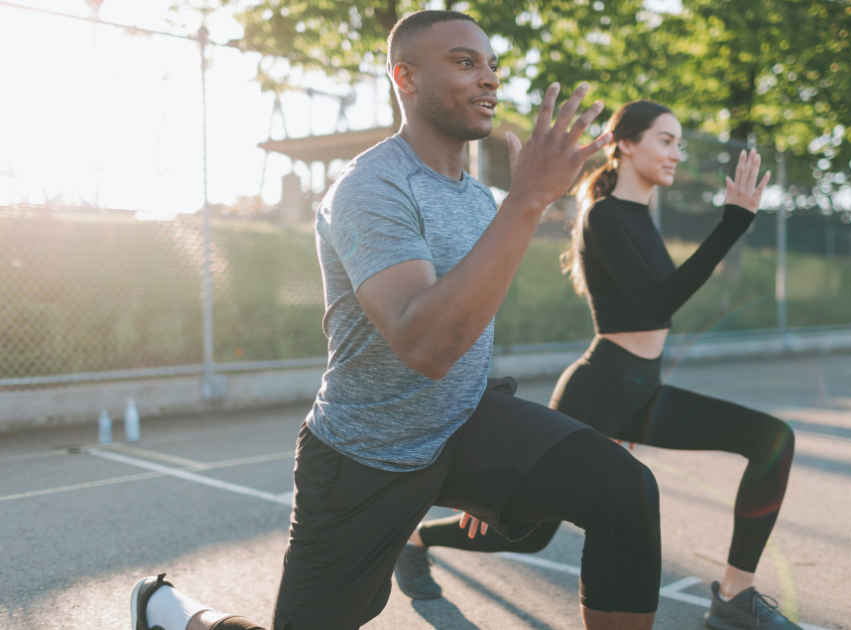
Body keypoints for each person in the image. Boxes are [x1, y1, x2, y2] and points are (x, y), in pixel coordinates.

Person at [129, 11, 667, 630]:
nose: (489, 78)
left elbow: (469, 327)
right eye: (466, 63)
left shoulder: (474, 198)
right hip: (368, 453)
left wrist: (499, 464)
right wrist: (528, 199)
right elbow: (426, 343)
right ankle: (173, 613)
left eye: (492, 65)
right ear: (404, 77)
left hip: (464, 424)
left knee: (626, 491)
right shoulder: (369, 187)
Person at [397, 101, 801, 630]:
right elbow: (657, 304)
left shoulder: (640, 216)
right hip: (602, 387)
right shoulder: (604, 215)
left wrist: (733, 224)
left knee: (772, 439)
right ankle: (414, 538)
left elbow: (658, 304)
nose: (676, 152)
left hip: (644, 389)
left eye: (680, 142)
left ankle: (733, 593)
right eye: (666, 140)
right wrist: (732, 225)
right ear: (626, 144)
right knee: (528, 528)